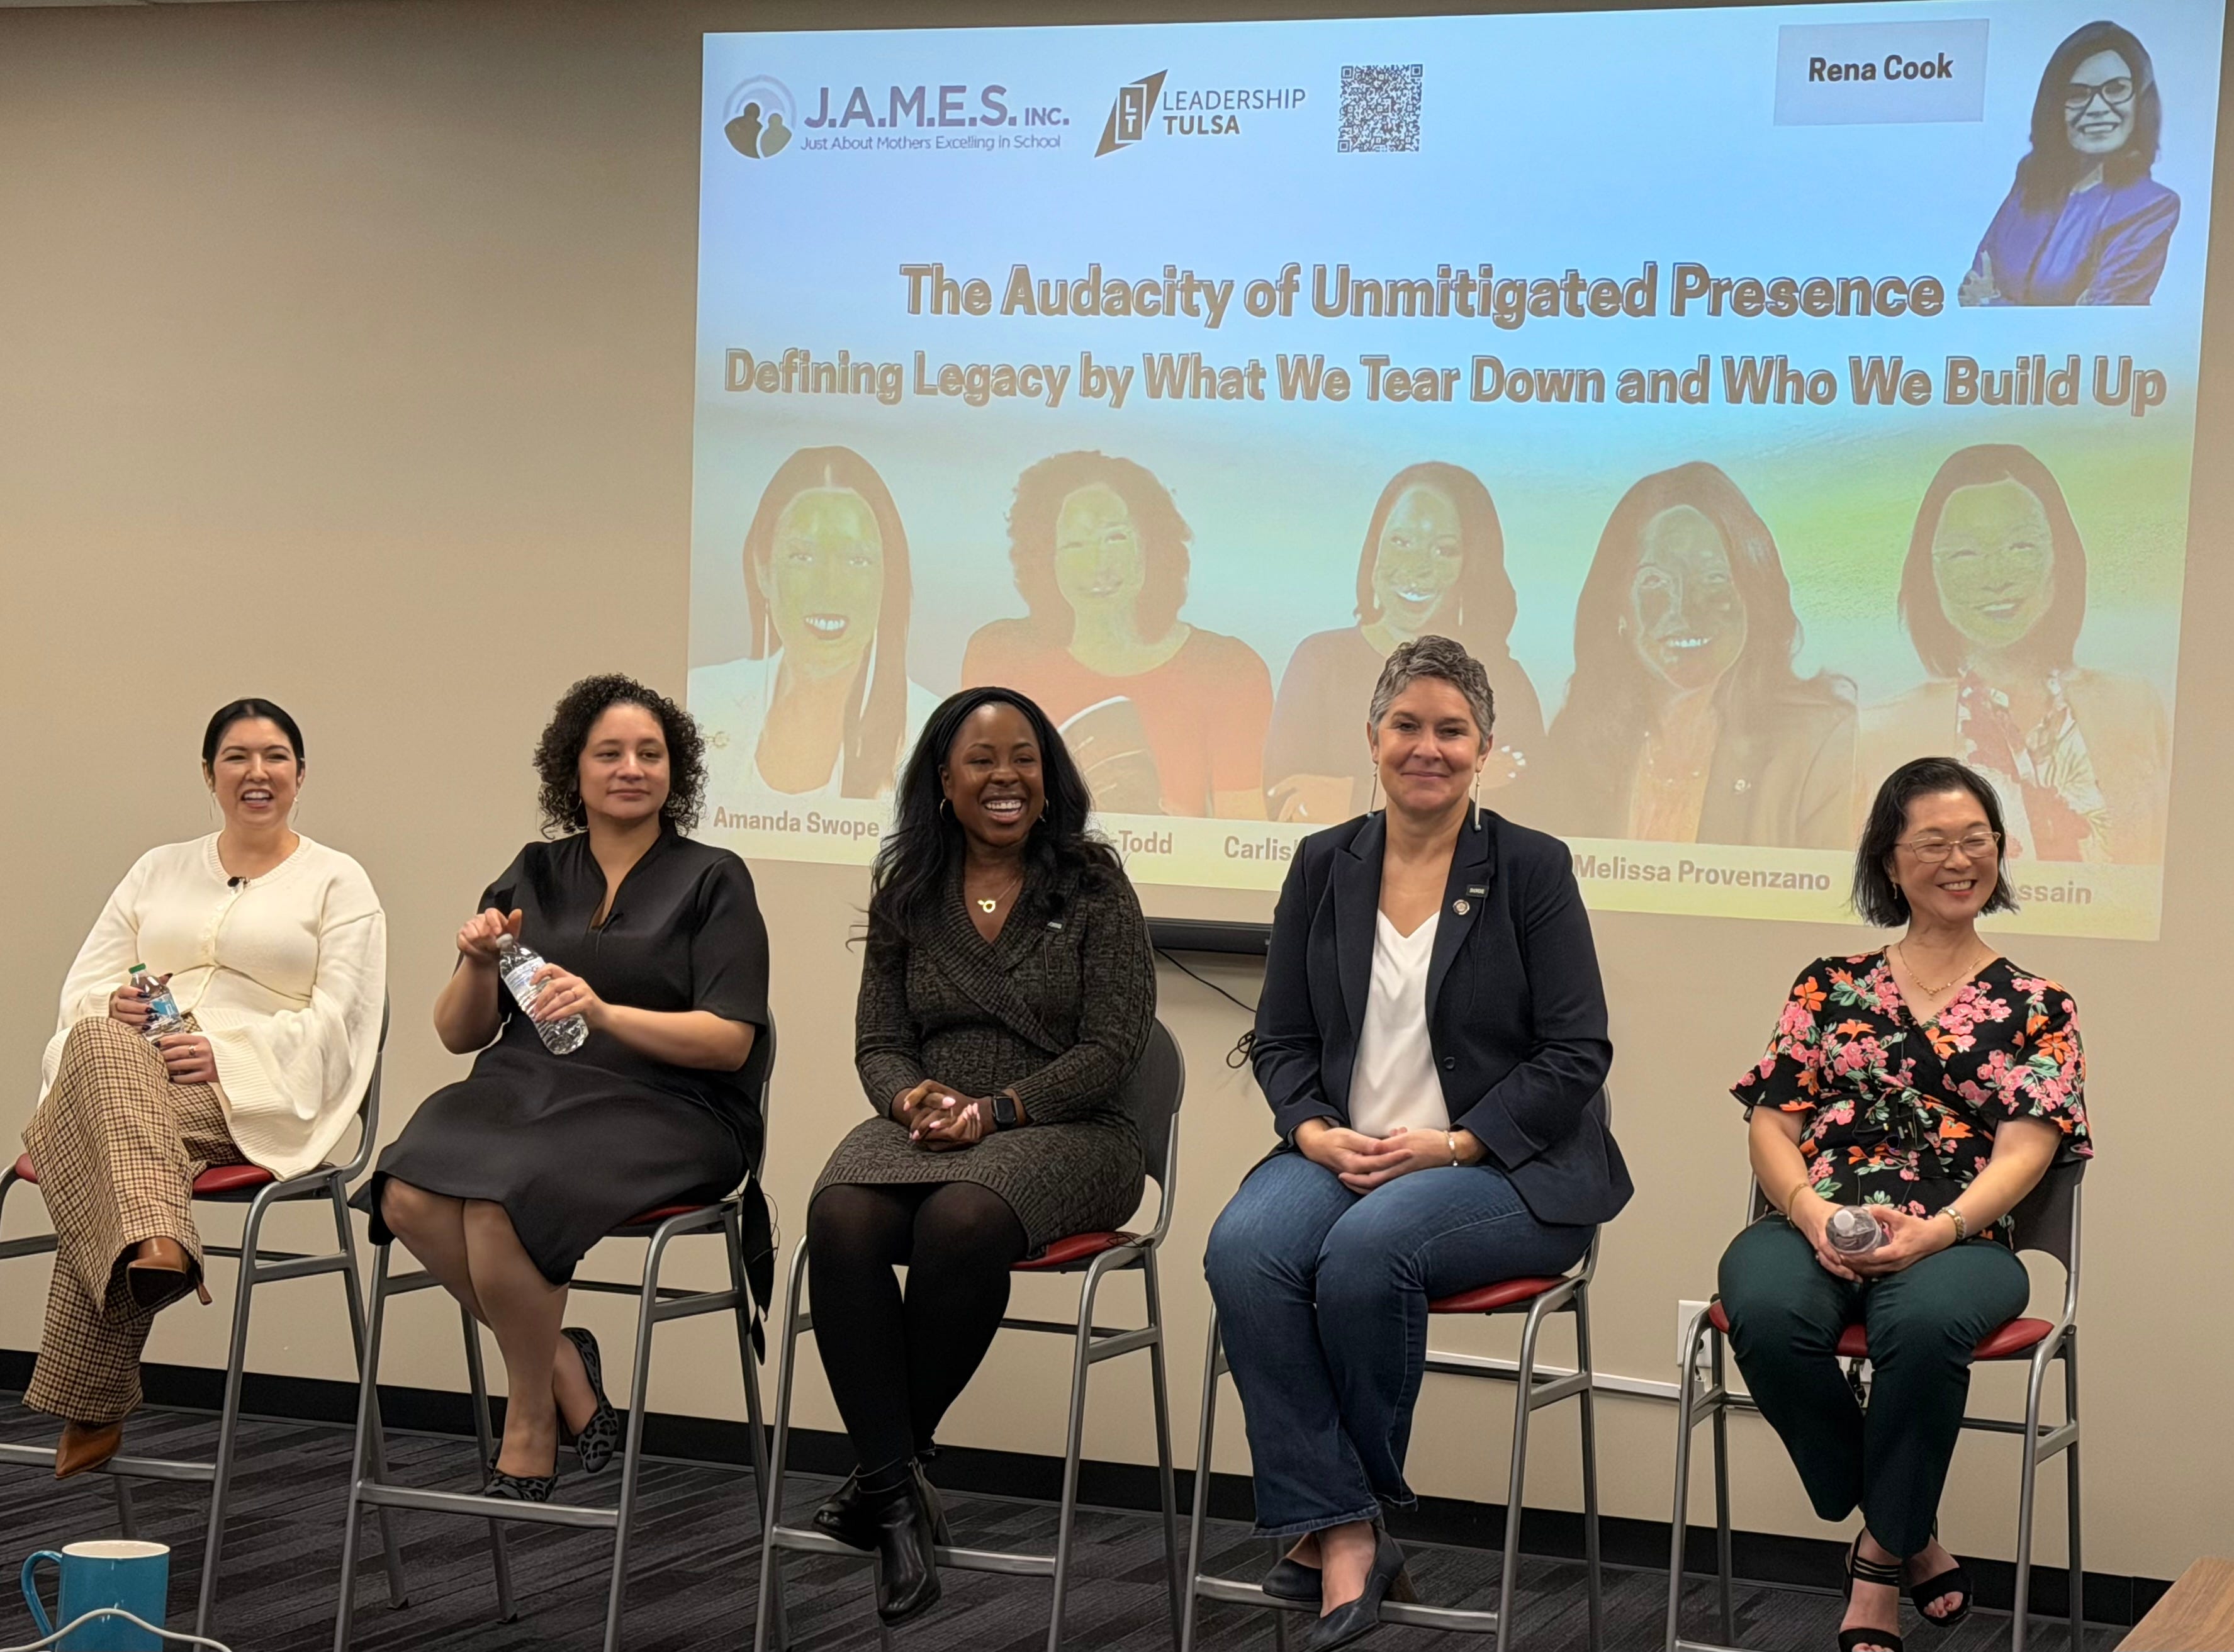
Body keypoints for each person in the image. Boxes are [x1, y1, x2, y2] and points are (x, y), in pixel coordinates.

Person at [1204, 636, 1631, 1651]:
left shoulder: (1529, 867)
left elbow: (1577, 1052)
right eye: (1406, 726)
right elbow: (1281, 1038)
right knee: (1244, 1249)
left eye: (1451, 730)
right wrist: (1313, 1132)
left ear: (1484, 749)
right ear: (1371, 738)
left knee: (1366, 1253)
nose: (1426, 748)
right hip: (1342, 1154)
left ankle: (1339, 1535)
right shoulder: (1324, 862)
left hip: (1504, 1170)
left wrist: (1456, 1145)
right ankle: (1348, 1521)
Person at [357, 675, 770, 1501]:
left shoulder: (712, 877)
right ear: (572, 770)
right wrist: (477, 963)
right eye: (609, 753)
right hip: (528, 1090)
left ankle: (529, 1423)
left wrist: (606, 1012)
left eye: (650, 754)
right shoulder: (533, 872)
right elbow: (460, 1034)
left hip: (672, 1106)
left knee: (501, 1200)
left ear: (676, 771)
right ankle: (562, 1369)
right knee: (405, 1188)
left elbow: (730, 1043)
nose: (631, 768)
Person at [801, 686, 1156, 1625]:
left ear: (1049, 776)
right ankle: (896, 1490)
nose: (1007, 777)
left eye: (1024, 758)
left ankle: (882, 1476)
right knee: (838, 1214)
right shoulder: (909, 889)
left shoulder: (1092, 884)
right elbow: (881, 1042)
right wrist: (906, 1097)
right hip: (932, 1121)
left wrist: (998, 1110)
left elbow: (1114, 1048)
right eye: (983, 760)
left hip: (1072, 1128)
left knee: (963, 1218)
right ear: (943, 780)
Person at [1722, 756, 2089, 1652]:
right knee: (1761, 1307)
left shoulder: (2038, 1005)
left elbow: (2027, 1151)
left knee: (1921, 1327)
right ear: (1889, 861)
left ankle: (1878, 1566)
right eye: (1931, 842)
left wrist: (1938, 1231)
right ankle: (1912, 1532)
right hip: (1816, 1218)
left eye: (1975, 839)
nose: (1957, 859)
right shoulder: (1827, 983)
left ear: (1998, 851)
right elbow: (1771, 1124)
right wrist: (1808, 1212)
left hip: (1964, 1236)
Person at [23, 700, 386, 1478]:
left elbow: (344, 1022)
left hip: (248, 1093)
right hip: (131, 1071)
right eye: (236, 757)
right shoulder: (157, 868)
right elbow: (83, 989)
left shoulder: (338, 881)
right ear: (208, 773)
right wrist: (113, 1006)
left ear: (300, 774)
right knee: (98, 1040)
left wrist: (228, 1056)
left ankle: (105, 1370)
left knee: (90, 1135)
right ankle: (156, 1242)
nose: (258, 773)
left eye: (276, 756)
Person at [1860, 443, 2169, 865]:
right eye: (1965, 554)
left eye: (2021, 548)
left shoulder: (2135, 707)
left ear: (2060, 557)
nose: (1996, 578)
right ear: (1928, 572)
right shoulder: (1880, 734)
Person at [1537, 461, 1855, 848]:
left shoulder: (1819, 744)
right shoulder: (1577, 743)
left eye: (1713, 578)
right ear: (1618, 606)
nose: (1686, 612)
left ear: (1752, 594)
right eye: (1655, 581)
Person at [962, 451, 1274, 818]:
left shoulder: (1228, 669)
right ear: (1046, 559)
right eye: (1075, 545)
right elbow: (970, 806)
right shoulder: (1000, 654)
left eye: (1115, 538)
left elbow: (1242, 828)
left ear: (1151, 547)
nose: (1098, 565)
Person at [1266, 463, 1546, 823]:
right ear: (1375, 548)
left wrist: (1349, 796)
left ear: (1472, 565)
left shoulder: (1505, 683)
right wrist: (1454, 783)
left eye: (1444, 550)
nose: (1417, 567)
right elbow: (1287, 799)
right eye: (1401, 542)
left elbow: (1522, 809)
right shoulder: (1319, 661)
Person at [690, 446, 938, 802]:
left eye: (857, 560)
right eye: (803, 556)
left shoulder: (933, 731)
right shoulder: (703, 699)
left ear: (888, 579)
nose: (830, 587)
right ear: (763, 569)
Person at [1962, 21, 2177, 307]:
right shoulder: (2030, 183)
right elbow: (1975, 282)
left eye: (2116, 89)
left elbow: (2097, 321)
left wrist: (1991, 303)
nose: (2097, 108)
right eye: (2078, 94)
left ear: (2141, 101)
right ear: (2055, 107)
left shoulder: (2151, 206)